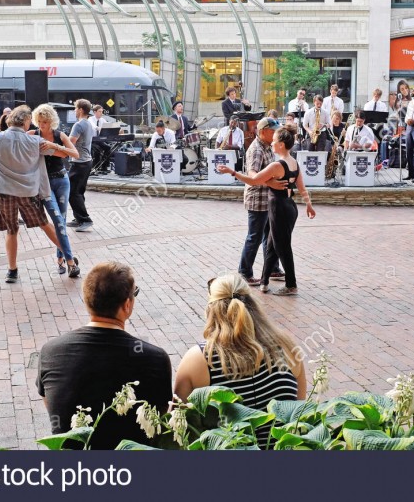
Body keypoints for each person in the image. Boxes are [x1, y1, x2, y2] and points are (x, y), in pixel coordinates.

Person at [36, 262, 172, 449]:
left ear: (86, 301)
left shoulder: (50, 351)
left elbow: (52, 407)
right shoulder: (156, 359)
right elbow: (160, 416)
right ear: (127, 304)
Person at [174, 273, 306, 445]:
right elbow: (301, 415)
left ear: (211, 310)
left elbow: (179, 425)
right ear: (253, 304)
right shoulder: (287, 347)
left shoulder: (198, 360)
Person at [0, 105, 66, 284]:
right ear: (26, 121)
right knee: (45, 224)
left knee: (11, 231)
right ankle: (68, 255)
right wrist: (56, 145)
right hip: (28, 192)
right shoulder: (35, 141)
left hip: (4, 192)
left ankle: (12, 270)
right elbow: (62, 154)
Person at [219, 124, 316, 296]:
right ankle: (264, 282)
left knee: (282, 246)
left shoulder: (277, 165)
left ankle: (291, 285)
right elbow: (301, 187)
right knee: (271, 244)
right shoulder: (294, 162)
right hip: (289, 207)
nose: (271, 144)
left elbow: (253, 180)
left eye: (273, 141)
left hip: (279, 208)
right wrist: (308, 205)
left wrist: (232, 172)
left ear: (280, 145)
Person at [233, 118, 285, 286]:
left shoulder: (267, 147)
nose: (275, 134)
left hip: (266, 198)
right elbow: (252, 175)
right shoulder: (256, 149)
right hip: (257, 199)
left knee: (269, 236)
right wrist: (271, 182)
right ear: (262, 132)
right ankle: (244, 272)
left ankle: (272, 268)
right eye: (272, 131)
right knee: (255, 237)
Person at [30, 104, 81, 278]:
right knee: (57, 219)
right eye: (39, 121)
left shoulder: (59, 135)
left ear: (51, 121)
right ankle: (70, 261)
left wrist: (55, 146)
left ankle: (60, 258)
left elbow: (75, 154)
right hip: (44, 183)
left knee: (63, 219)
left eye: (45, 122)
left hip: (62, 179)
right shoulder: (32, 135)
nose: (42, 125)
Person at [67, 99, 96, 233]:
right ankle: (78, 218)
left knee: (72, 192)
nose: (74, 111)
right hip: (86, 161)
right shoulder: (89, 123)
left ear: (80, 110)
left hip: (79, 162)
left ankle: (85, 219)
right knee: (79, 191)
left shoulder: (78, 125)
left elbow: (70, 143)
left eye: (75, 108)